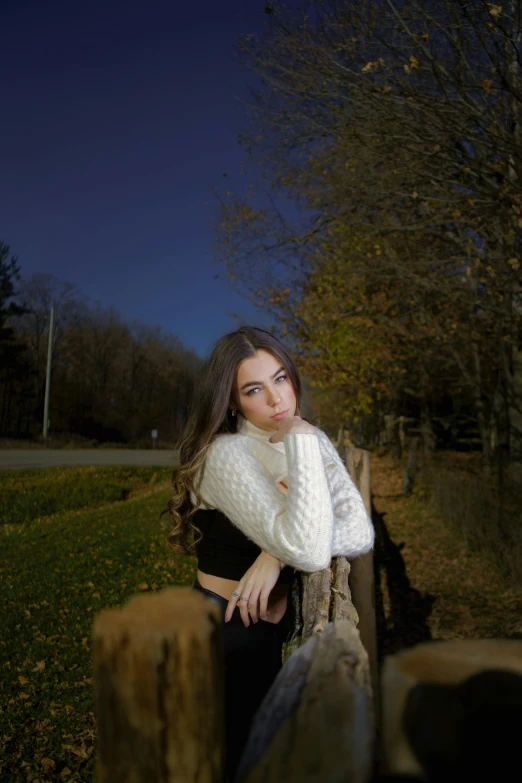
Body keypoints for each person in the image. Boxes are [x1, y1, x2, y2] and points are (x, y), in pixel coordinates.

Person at [167, 326, 374, 781]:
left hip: (266, 628)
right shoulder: (226, 455)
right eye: (254, 389)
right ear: (233, 401)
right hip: (224, 628)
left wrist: (273, 555)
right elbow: (308, 541)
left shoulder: (305, 440)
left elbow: (357, 528)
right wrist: (287, 535)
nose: (278, 399)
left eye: (281, 378)